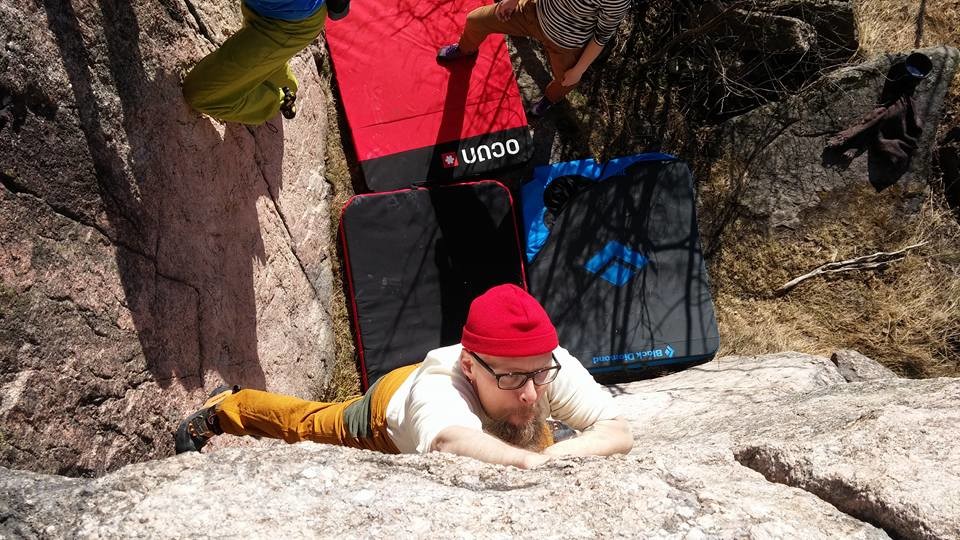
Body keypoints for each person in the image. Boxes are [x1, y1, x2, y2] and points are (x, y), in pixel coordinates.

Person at [175, 284, 633, 468]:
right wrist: (535, 463)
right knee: (308, 425)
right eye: (514, 378)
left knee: (530, 428)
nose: (532, 393)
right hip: (388, 413)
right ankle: (228, 406)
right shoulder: (440, 387)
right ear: (470, 367)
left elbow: (617, 430)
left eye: (540, 375)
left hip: (455, 391)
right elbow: (450, 442)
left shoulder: (543, 362)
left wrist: (557, 454)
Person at [436, 0, 631, 117]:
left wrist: (579, 70)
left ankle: (549, 99)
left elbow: (602, 36)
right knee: (475, 20)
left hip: (565, 44)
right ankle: (466, 49)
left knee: (566, 81)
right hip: (532, 13)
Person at [182, 0, 350, 124]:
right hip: (268, 10)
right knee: (266, 59)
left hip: (289, 25)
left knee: (201, 95)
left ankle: (277, 100)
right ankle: (285, 82)